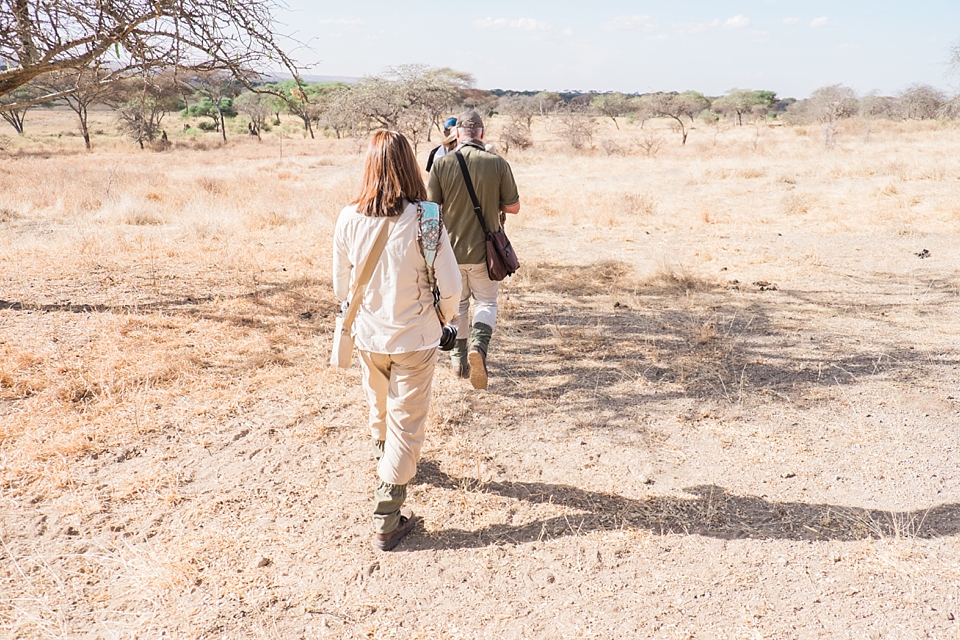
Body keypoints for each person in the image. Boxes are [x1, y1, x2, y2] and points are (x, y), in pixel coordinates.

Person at [332, 130, 461, 551]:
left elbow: (341, 286)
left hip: (369, 335)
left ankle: (385, 463)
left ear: (369, 166)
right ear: (408, 164)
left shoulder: (348, 217)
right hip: (415, 336)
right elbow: (452, 284)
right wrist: (445, 319)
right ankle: (388, 513)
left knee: (379, 406)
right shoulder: (427, 217)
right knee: (406, 421)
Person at [426, 110, 521, 390]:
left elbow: (431, 209)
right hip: (486, 253)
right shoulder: (497, 163)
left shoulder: (441, 166)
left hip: (450, 254)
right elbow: (513, 207)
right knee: (487, 303)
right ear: (482, 133)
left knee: (459, 305)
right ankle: (478, 348)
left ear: (457, 134)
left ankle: (458, 360)